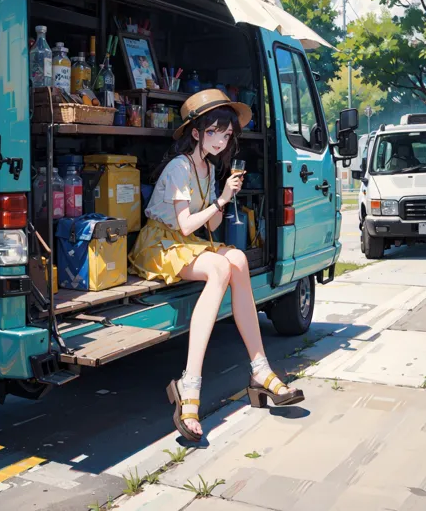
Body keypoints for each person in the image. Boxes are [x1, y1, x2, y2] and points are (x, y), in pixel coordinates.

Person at [129, 89, 304, 443]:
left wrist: (224, 199)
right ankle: (189, 384)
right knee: (222, 269)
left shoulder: (209, 169)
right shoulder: (180, 167)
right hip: (159, 243)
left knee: (237, 259)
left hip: (186, 242)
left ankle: (260, 369)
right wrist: (221, 199)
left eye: (226, 134)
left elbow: (208, 227)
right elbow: (184, 225)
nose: (222, 140)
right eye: (214, 132)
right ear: (196, 133)